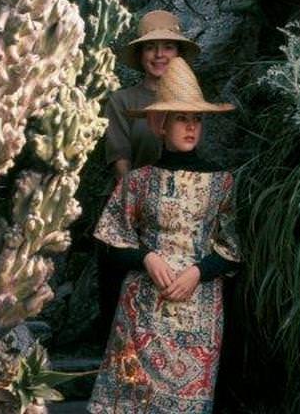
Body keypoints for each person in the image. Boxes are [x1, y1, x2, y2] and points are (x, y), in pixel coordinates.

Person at [88, 57, 238, 414]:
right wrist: (146, 257)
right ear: (160, 123)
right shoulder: (138, 181)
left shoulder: (223, 182)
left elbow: (232, 247)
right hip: (141, 312)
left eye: (196, 119)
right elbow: (109, 237)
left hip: (198, 308)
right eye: (181, 118)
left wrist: (198, 272)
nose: (191, 127)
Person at [105, 9, 202, 181]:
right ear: (141, 55)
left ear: (178, 54)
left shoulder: (193, 100)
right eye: (150, 48)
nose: (159, 55)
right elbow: (120, 161)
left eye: (168, 47)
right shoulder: (122, 101)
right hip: (134, 198)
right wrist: (139, 199)